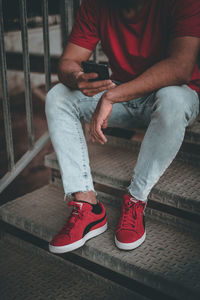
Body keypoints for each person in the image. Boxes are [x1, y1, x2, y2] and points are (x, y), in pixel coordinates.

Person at [45, 0, 200, 254]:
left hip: (171, 96)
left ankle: (136, 198)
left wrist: (111, 96)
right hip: (124, 91)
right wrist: (77, 78)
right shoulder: (95, 5)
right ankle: (88, 207)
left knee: (173, 99)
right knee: (58, 96)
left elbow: (180, 67)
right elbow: (69, 61)